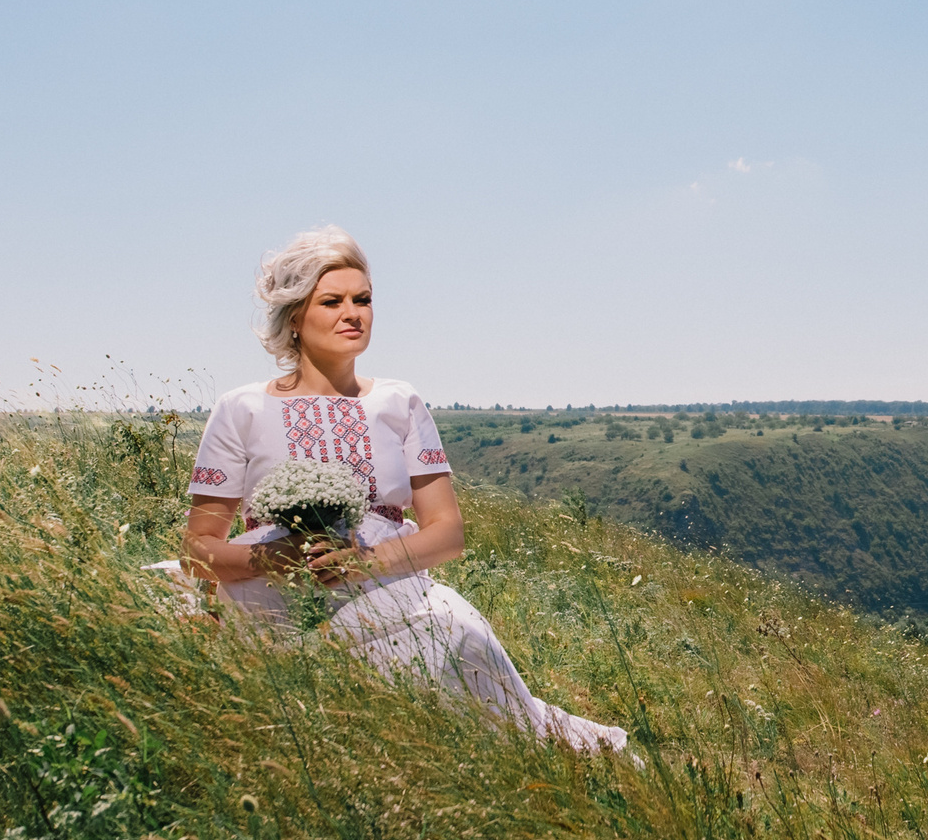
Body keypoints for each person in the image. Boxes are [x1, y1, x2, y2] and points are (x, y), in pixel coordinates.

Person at [179, 225, 628, 755]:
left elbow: (449, 533)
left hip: (390, 595)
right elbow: (198, 548)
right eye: (333, 301)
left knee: (466, 638)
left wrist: (367, 560)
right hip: (272, 598)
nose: (354, 313)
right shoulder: (241, 408)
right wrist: (271, 560)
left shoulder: (400, 401)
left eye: (363, 299)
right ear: (294, 316)